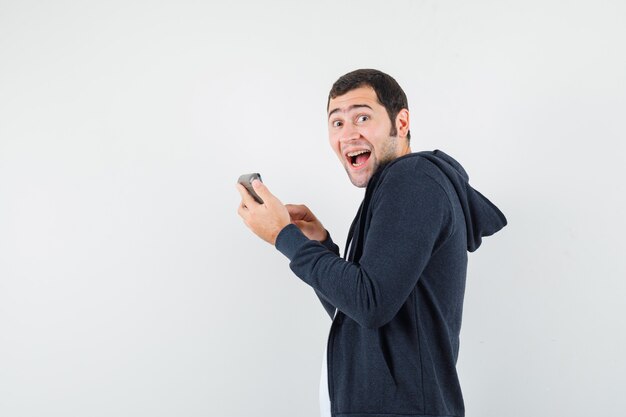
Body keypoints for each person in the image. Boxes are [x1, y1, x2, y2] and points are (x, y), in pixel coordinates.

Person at [236, 69, 507, 417]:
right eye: (337, 123)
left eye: (362, 117)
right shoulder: (396, 189)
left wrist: (283, 236)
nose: (348, 134)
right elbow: (359, 314)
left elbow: (370, 304)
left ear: (402, 122)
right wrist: (319, 245)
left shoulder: (412, 180)